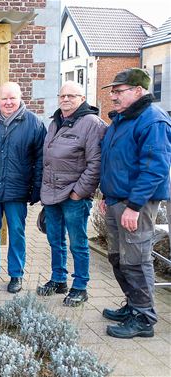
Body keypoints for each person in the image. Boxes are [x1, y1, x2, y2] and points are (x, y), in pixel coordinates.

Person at [99, 68, 171, 338]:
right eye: (113, 91)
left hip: (135, 206)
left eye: (119, 91)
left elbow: (155, 169)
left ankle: (144, 319)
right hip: (117, 200)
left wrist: (134, 205)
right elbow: (114, 162)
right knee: (118, 257)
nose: (114, 96)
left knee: (136, 261)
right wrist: (108, 196)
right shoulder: (123, 119)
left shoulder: (153, 121)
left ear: (138, 91)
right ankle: (133, 305)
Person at [36, 81, 107, 306]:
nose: (65, 99)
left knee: (78, 242)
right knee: (55, 240)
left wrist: (78, 192)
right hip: (51, 194)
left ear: (82, 98)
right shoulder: (56, 122)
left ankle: (80, 286)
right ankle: (58, 279)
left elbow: (95, 163)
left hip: (73, 196)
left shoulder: (91, 123)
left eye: (71, 96)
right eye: (62, 95)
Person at [0, 82, 46, 294]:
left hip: (17, 190)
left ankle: (16, 274)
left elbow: (41, 159)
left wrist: (36, 188)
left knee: (17, 232)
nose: (8, 102)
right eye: (4, 98)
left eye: (12, 98)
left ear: (20, 98)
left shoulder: (34, 123)